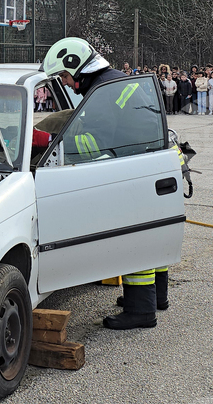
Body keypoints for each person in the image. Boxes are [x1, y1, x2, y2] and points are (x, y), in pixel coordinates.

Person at [39, 38, 162, 330]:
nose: (64, 83)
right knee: (153, 237)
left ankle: (141, 310)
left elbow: (95, 142)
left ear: (77, 67)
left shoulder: (102, 92)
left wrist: (49, 143)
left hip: (132, 168)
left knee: (134, 241)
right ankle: (157, 298)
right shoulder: (112, 80)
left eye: (64, 76)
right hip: (147, 163)